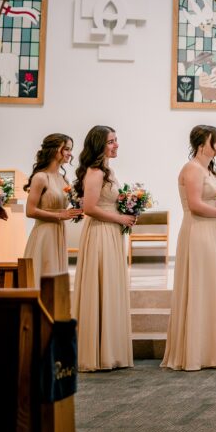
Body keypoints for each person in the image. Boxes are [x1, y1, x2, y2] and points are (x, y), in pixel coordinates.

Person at [162, 125, 216, 371]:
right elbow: (195, 205)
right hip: (197, 230)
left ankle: (209, 350)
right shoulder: (192, 169)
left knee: (209, 285)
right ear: (202, 144)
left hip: (211, 231)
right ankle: (194, 352)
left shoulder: (207, 169)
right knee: (198, 285)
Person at [71, 126, 135, 371]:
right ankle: (97, 352)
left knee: (111, 286)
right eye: (111, 141)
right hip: (100, 233)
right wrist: (120, 219)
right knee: (101, 285)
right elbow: (89, 208)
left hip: (110, 231)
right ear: (99, 145)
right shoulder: (96, 172)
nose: (116, 145)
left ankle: (109, 349)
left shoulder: (108, 171)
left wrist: (127, 213)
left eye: (116, 140)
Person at [22, 134, 81, 285]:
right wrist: (61, 215)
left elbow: (64, 208)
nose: (70, 153)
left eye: (70, 149)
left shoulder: (64, 179)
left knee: (57, 277)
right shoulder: (41, 177)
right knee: (44, 275)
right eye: (66, 149)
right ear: (55, 150)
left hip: (59, 232)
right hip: (44, 233)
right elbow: (30, 211)